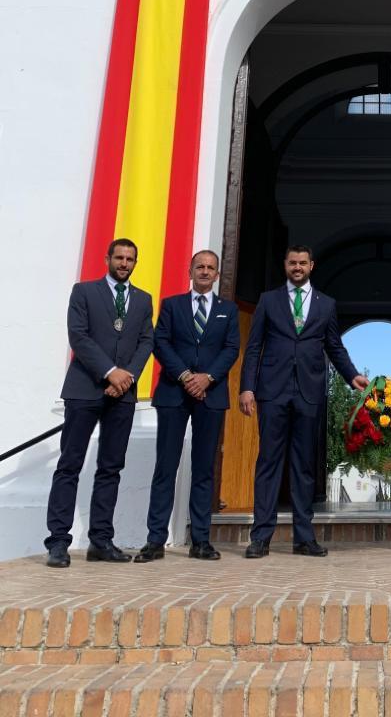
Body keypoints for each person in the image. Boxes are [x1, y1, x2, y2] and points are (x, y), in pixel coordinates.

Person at [239, 245, 368, 558]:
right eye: (292, 263)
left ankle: (304, 537)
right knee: (269, 462)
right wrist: (247, 387)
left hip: (309, 392)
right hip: (272, 391)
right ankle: (261, 538)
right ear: (285, 265)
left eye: (302, 263)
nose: (297, 267)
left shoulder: (327, 304)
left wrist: (352, 376)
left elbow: (334, 347)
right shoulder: (268, 300)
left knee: (303, 466)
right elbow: (254, 346)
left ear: (312, 265)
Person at [44, 239, 154, 567]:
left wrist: (127, 376)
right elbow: (78, 336)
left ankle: (101, 540)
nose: (124, 263)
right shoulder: (84, 292)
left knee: (111, 468)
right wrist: (110, 372)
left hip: (123, 394)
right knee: (70, 465)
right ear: (107, 258)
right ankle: (58, 542)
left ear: (135, 262)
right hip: (84, 389)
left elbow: (146, 340)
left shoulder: (143, 299)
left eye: (129, 259)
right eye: (118, 257)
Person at [135, 250, 240, 564]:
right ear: (190, 270)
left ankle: (201, 541)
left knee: (204, 469)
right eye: (200, 267)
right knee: (165, 468)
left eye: (211, 268)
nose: (205, 272)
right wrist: (184, 376)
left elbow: (232, 347)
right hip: (173, 393)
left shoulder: (228, 310)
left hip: (211, 394)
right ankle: (155, 540)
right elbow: (160, 342)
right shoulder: (172, 305)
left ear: (217, 274)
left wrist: (207, 378)